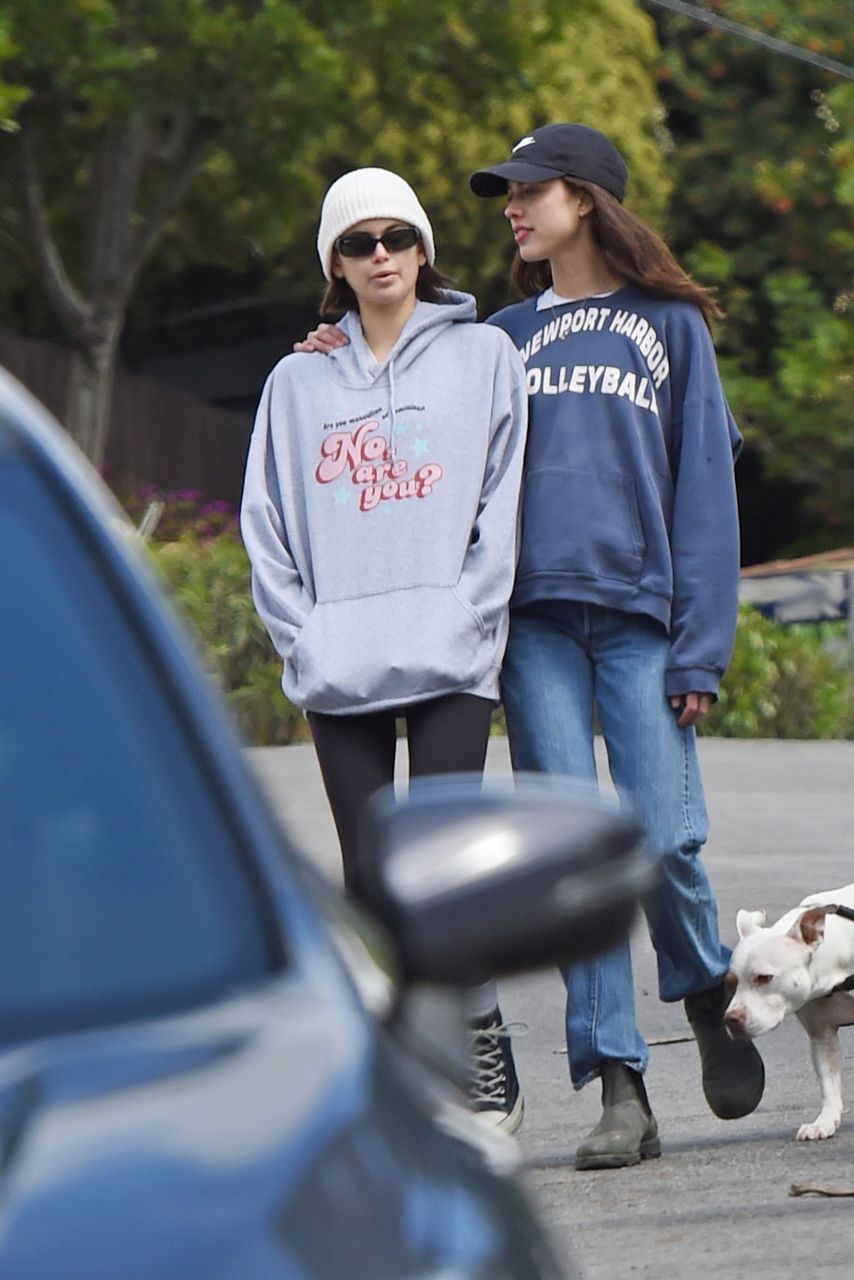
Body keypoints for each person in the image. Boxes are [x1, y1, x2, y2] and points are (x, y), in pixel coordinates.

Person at [303, 124, 763, 1168]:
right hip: (533, 625)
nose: (511, 208)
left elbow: (706, 490)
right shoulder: (493, 336)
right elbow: (395, 350)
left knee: (666, 840)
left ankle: (702, 984)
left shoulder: (672, 325)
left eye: (531, 190)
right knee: (575, 859)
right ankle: (617, 1082)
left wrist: (702, 645)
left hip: (644, 617)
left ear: (588, 199)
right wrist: (330, 341)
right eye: (507, 195)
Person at [243, 167, 529, 1128]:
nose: (380, 258)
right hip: (342, 662)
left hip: (451, 652)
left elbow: (503, 497)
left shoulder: (485, 356)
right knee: (367, 879)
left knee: (448, 862)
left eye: (396, 239)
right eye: (358, 243)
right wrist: (305, 639)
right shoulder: (297, 380)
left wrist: (470, 614)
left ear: (424, 250)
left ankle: (480, 1037)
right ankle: (409, 1070)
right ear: (334, 262)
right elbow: (267, 521)